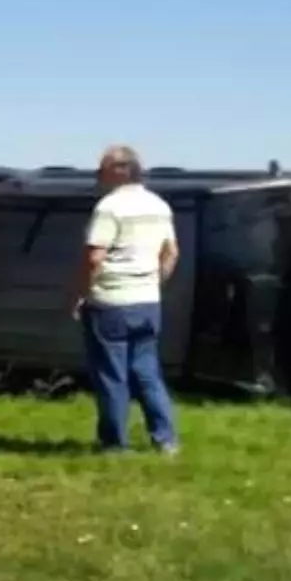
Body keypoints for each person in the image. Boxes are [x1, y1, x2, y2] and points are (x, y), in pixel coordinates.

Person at [76, 146, 180, 454]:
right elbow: (171, 252)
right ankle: (166, 440)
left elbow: (95, 257)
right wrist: (153, 283)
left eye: (102, 169)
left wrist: (81, 294)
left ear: (119, 171)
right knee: (147, 372)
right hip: (148, 303)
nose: (97, 175)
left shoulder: (110, 207)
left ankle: (114, 444)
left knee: (112, 376)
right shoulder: (159, 205)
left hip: (110, 303)